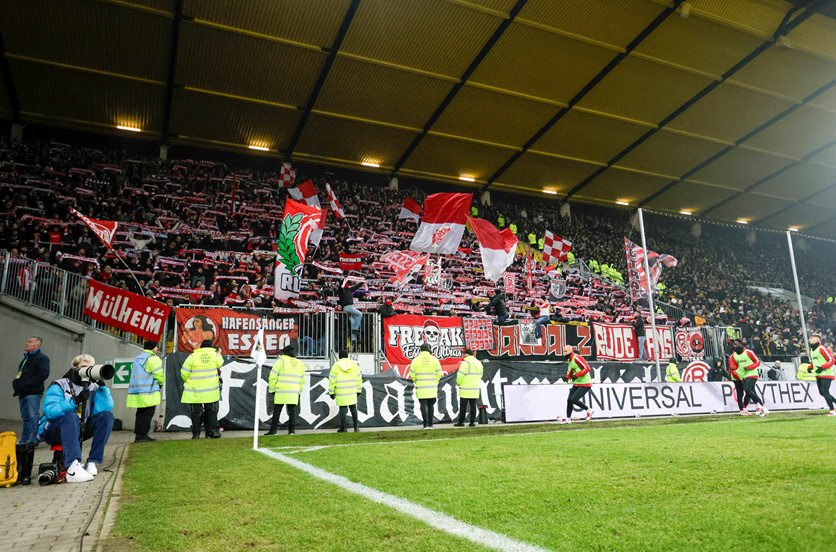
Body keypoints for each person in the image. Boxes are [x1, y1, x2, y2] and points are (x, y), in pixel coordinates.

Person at [37, 354, 114, 483]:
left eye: (91, 368)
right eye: (84, 367)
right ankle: (73, 467)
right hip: (54, 430)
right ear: (74, 368)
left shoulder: (93, 386)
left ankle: (92, 462)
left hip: (79, 428)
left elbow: (105, 408)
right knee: (71, 416)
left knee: (107, 417)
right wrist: (74, 402)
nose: (88, 370)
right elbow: (50, 411)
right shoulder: (59, 384)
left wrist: (102, 387)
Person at [181, 338, 224, 439]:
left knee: (196, 413)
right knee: (211, 411)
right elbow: (220, 363)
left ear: (201, 347)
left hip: (195, 390)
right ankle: (213, 431)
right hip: (211, 389)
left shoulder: (193, 356)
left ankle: (196, 434)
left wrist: (188, 381)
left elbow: (184, 372)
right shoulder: (216, 355)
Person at [13, 336, 50, 446]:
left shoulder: (42, 358)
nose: (26, 343)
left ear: (36, 345)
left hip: (33, 392)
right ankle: (25, 440)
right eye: (27, 341)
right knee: (26, 417)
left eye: (30, 342)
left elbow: (44, 374)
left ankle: (34, 439)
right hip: (23, 392)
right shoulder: (26, 359)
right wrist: (17, 384)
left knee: (33, 416)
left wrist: (27, 384)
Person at [126, 340, 164, 443]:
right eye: (156, 347)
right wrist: (161, 383)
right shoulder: (153, 358)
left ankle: (139, 435)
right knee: (147, 414)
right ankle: (142, 436)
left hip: (137, 391)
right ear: (152, 348)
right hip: (148, 392)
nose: (157, 349)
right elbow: (159, 374)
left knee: (140, 413)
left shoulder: (138, 358)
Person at [266, 345, 306, 435]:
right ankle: (291, 431)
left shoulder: (281, 361)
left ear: (284, 353)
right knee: (292, 412)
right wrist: (299, 391)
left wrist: (272, 390)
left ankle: (273, 431)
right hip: (294, 391)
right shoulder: (300, 363)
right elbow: (303, 379)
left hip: (281, 391)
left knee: (277, 411)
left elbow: (273, 376)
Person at [729, 339, 769, 417]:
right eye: (733, 344)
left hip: (752, 373)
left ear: (740, 344)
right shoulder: (734, 355)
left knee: (747, 389)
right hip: (743, 375)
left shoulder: (749, 352)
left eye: (735, 344)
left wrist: (749, 367)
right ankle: (761, 407)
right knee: (751, 391)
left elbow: (757, 361)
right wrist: (732, 367)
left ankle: (760, 406)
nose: (734, 346)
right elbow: (736, 366)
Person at [328, 349, 363, 432]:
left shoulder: (336, 366)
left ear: (339, 356)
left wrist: (331, 392)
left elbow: (332, 380)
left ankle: (344, 427)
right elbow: (359, 378)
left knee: (342, 409)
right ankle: (356, 427)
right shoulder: (354, 365)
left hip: (341, 392)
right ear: (347, 356)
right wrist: (359, 390)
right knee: (353, 408)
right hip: (352, 391)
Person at [409, 344, 442, 429]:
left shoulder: (416, 360)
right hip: (432, 387)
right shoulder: (434, 360)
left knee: (423, 406)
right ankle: (431, 424)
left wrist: (417, 381)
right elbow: (439, 373)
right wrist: (434, 381)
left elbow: (412, 374)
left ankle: (425, 425)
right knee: (431, 406)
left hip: (421, 387)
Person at [559, 345, 594, 424]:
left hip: (585, 383)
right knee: (569, 400)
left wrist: (576, 375)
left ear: (570, 351)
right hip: (577, 383)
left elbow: (587, 368)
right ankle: (568, 419)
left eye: (566, 351)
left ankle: (589, 410)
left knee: (574, 399)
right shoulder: (569, 360)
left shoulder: (577, 358)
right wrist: (567, 377)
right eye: (564, 351)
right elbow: (572, 371)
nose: (564, 353)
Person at [807, 334, 836, 416]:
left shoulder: (822, 348)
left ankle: (832, 411)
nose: (809, 340)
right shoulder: (811, 351)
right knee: (822, 393)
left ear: (817, 340)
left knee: (824, 391)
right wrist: (810, 367)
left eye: (811, 338)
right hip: (818, 374)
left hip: (826, 374)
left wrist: (823, 367)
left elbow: (832, 360)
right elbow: (813, 362)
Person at [454, 348, 483, 427]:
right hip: (475, 388)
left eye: (464, 354)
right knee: (473, 406)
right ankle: (472, 422)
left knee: (463, 407)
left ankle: (461, 422)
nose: (464, 355)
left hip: (465, 388)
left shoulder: (465, 363)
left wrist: (459, 383)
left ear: (467, 354)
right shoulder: (478, 363)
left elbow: (460, 375)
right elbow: (481, 375)